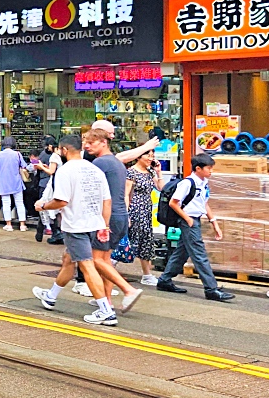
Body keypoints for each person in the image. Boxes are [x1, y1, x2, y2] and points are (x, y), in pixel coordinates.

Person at [33, 134, 118, 326]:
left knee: (87, 265)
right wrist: (104, 225)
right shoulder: (95, 170)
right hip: (94, 224)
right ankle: (50, 296)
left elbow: (62, 200)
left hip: (75, 225)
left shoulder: (65, 171)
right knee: (68, 259)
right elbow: (107, 200)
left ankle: (106, 310)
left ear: (63, 150)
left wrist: (43, 206)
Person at [78, 128, 144, 313]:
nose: (87, 146)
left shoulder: (99, 163)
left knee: (96, 259)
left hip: (106, 217)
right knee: (105, 260)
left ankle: (128, 289)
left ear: (104, 142)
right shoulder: (116, 162)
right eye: (85, 143)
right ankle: (107, 300)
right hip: (120, 216)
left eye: (91, 142)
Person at [157, 154, 234, 301]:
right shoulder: (187, 183)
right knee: (199, 254)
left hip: (194, 219)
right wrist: (187, 219)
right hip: (189, 221)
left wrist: (214, 223)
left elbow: (204, 204)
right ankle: (211, 289)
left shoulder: (203, 182)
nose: (211, 171)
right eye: (209, 168)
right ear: (198, 168)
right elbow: (174, 203)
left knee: (182, 252)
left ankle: (164, 280)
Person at [125, 147, 162, 286]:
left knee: (146, 241)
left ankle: (147, 275)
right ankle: (109, 269)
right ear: (139, 157)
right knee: (131, 240)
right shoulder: (131, 172)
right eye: (148, 155)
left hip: (146, 211)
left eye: (152, 155)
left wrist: (159, 172)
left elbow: (160, 188)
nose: (151, 158)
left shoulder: (150, 171)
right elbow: (126, 194)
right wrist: (126, 214)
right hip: (135, 210)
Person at [0, 137, 28, 231]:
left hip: (3, 182)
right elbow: (24, 166)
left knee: (6, 203)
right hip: (16, 182)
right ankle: (22, 225)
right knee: (19, 203)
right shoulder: (17, 154)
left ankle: (8, 224)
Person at [33, 136, 62, 242]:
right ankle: (52, 232)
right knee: (51, 207)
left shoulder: (54, 156)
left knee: (44, 206)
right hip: (54, 183)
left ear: (50, 146)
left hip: (50, 184)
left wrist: (41, 167)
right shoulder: (60, 155)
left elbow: (51, 171)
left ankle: (45, 232)